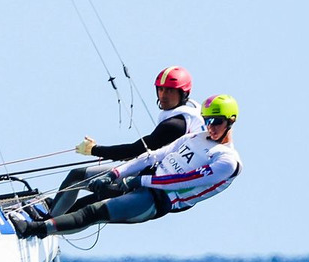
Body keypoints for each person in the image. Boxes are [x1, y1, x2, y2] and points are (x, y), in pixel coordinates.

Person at [13, 94, 242, 238]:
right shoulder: (196, 138)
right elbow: (151, 157)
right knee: (86, 185)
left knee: (94, 212)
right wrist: (115, 174)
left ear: (231, 121)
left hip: (157, 200)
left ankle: (32, 230)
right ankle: (47, 220)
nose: (210, 127)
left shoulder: (227, 160)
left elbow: (183, 180)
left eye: (217, 122)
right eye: (207, 120)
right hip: (143, 181)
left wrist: (139, 181)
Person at [46, 66, 206, 219]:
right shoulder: (191, 112)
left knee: (79, 180)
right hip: (156, 173)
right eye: (160, 89)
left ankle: (45, 223)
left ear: (184, 93)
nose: (163, 95)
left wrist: (94, 150)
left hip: (159, 188)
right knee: (81, 183)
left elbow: (135, 150)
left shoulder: (175, 125)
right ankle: (53, 213)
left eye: (170, 91)